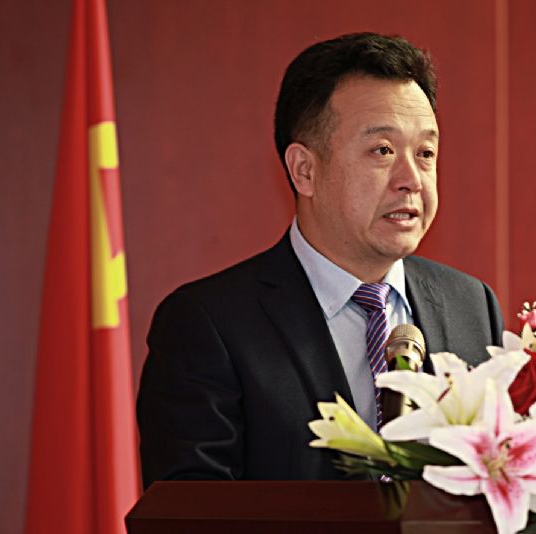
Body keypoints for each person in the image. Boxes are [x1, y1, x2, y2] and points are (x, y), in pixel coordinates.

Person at [137, 32, 504, 488]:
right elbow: (192, 511)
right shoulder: (208, 325)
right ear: (304, 170)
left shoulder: (472, 305)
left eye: (425, 153)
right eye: (383, 151)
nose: (412, 179)